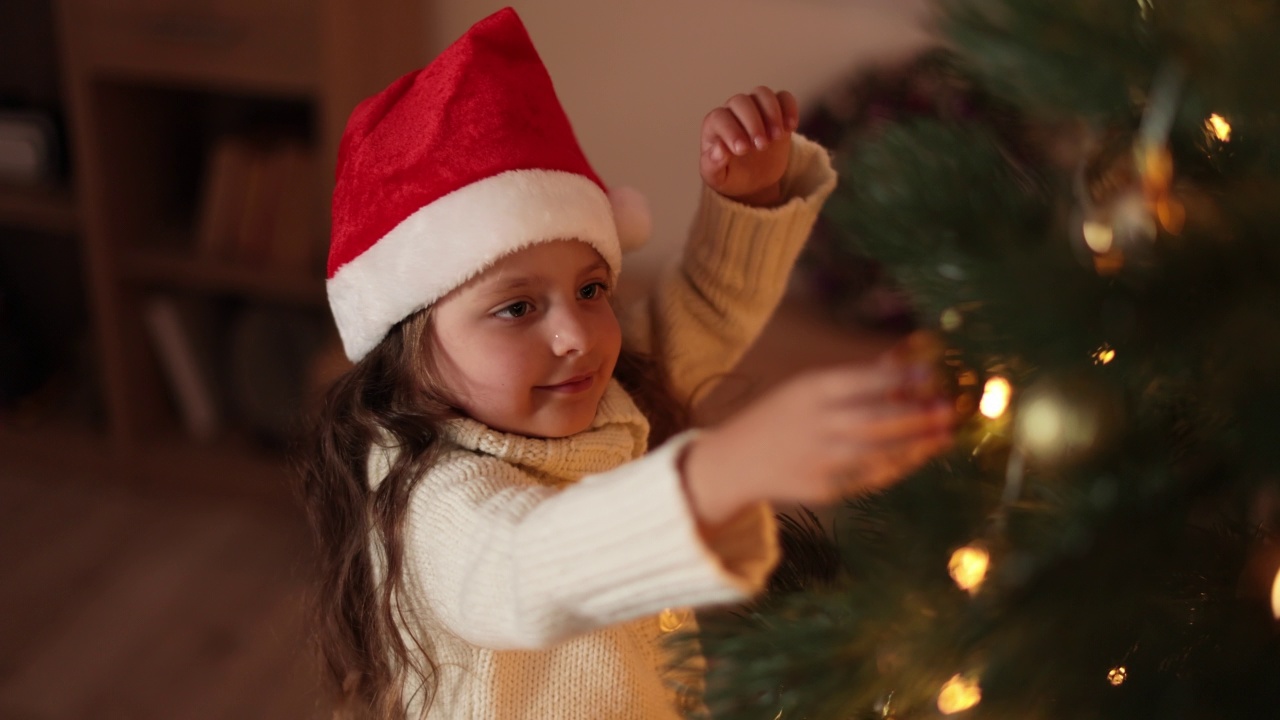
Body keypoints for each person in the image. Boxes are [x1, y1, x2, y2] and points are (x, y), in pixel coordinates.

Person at [300, 7, 954, 719]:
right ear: (406, 346)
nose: (577, 334)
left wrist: (749, 197)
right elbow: (526, 568)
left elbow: (706, 306)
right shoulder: (429, 496)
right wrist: (730, 468)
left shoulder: (598, 390)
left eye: (590, 289)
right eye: (517, 308)